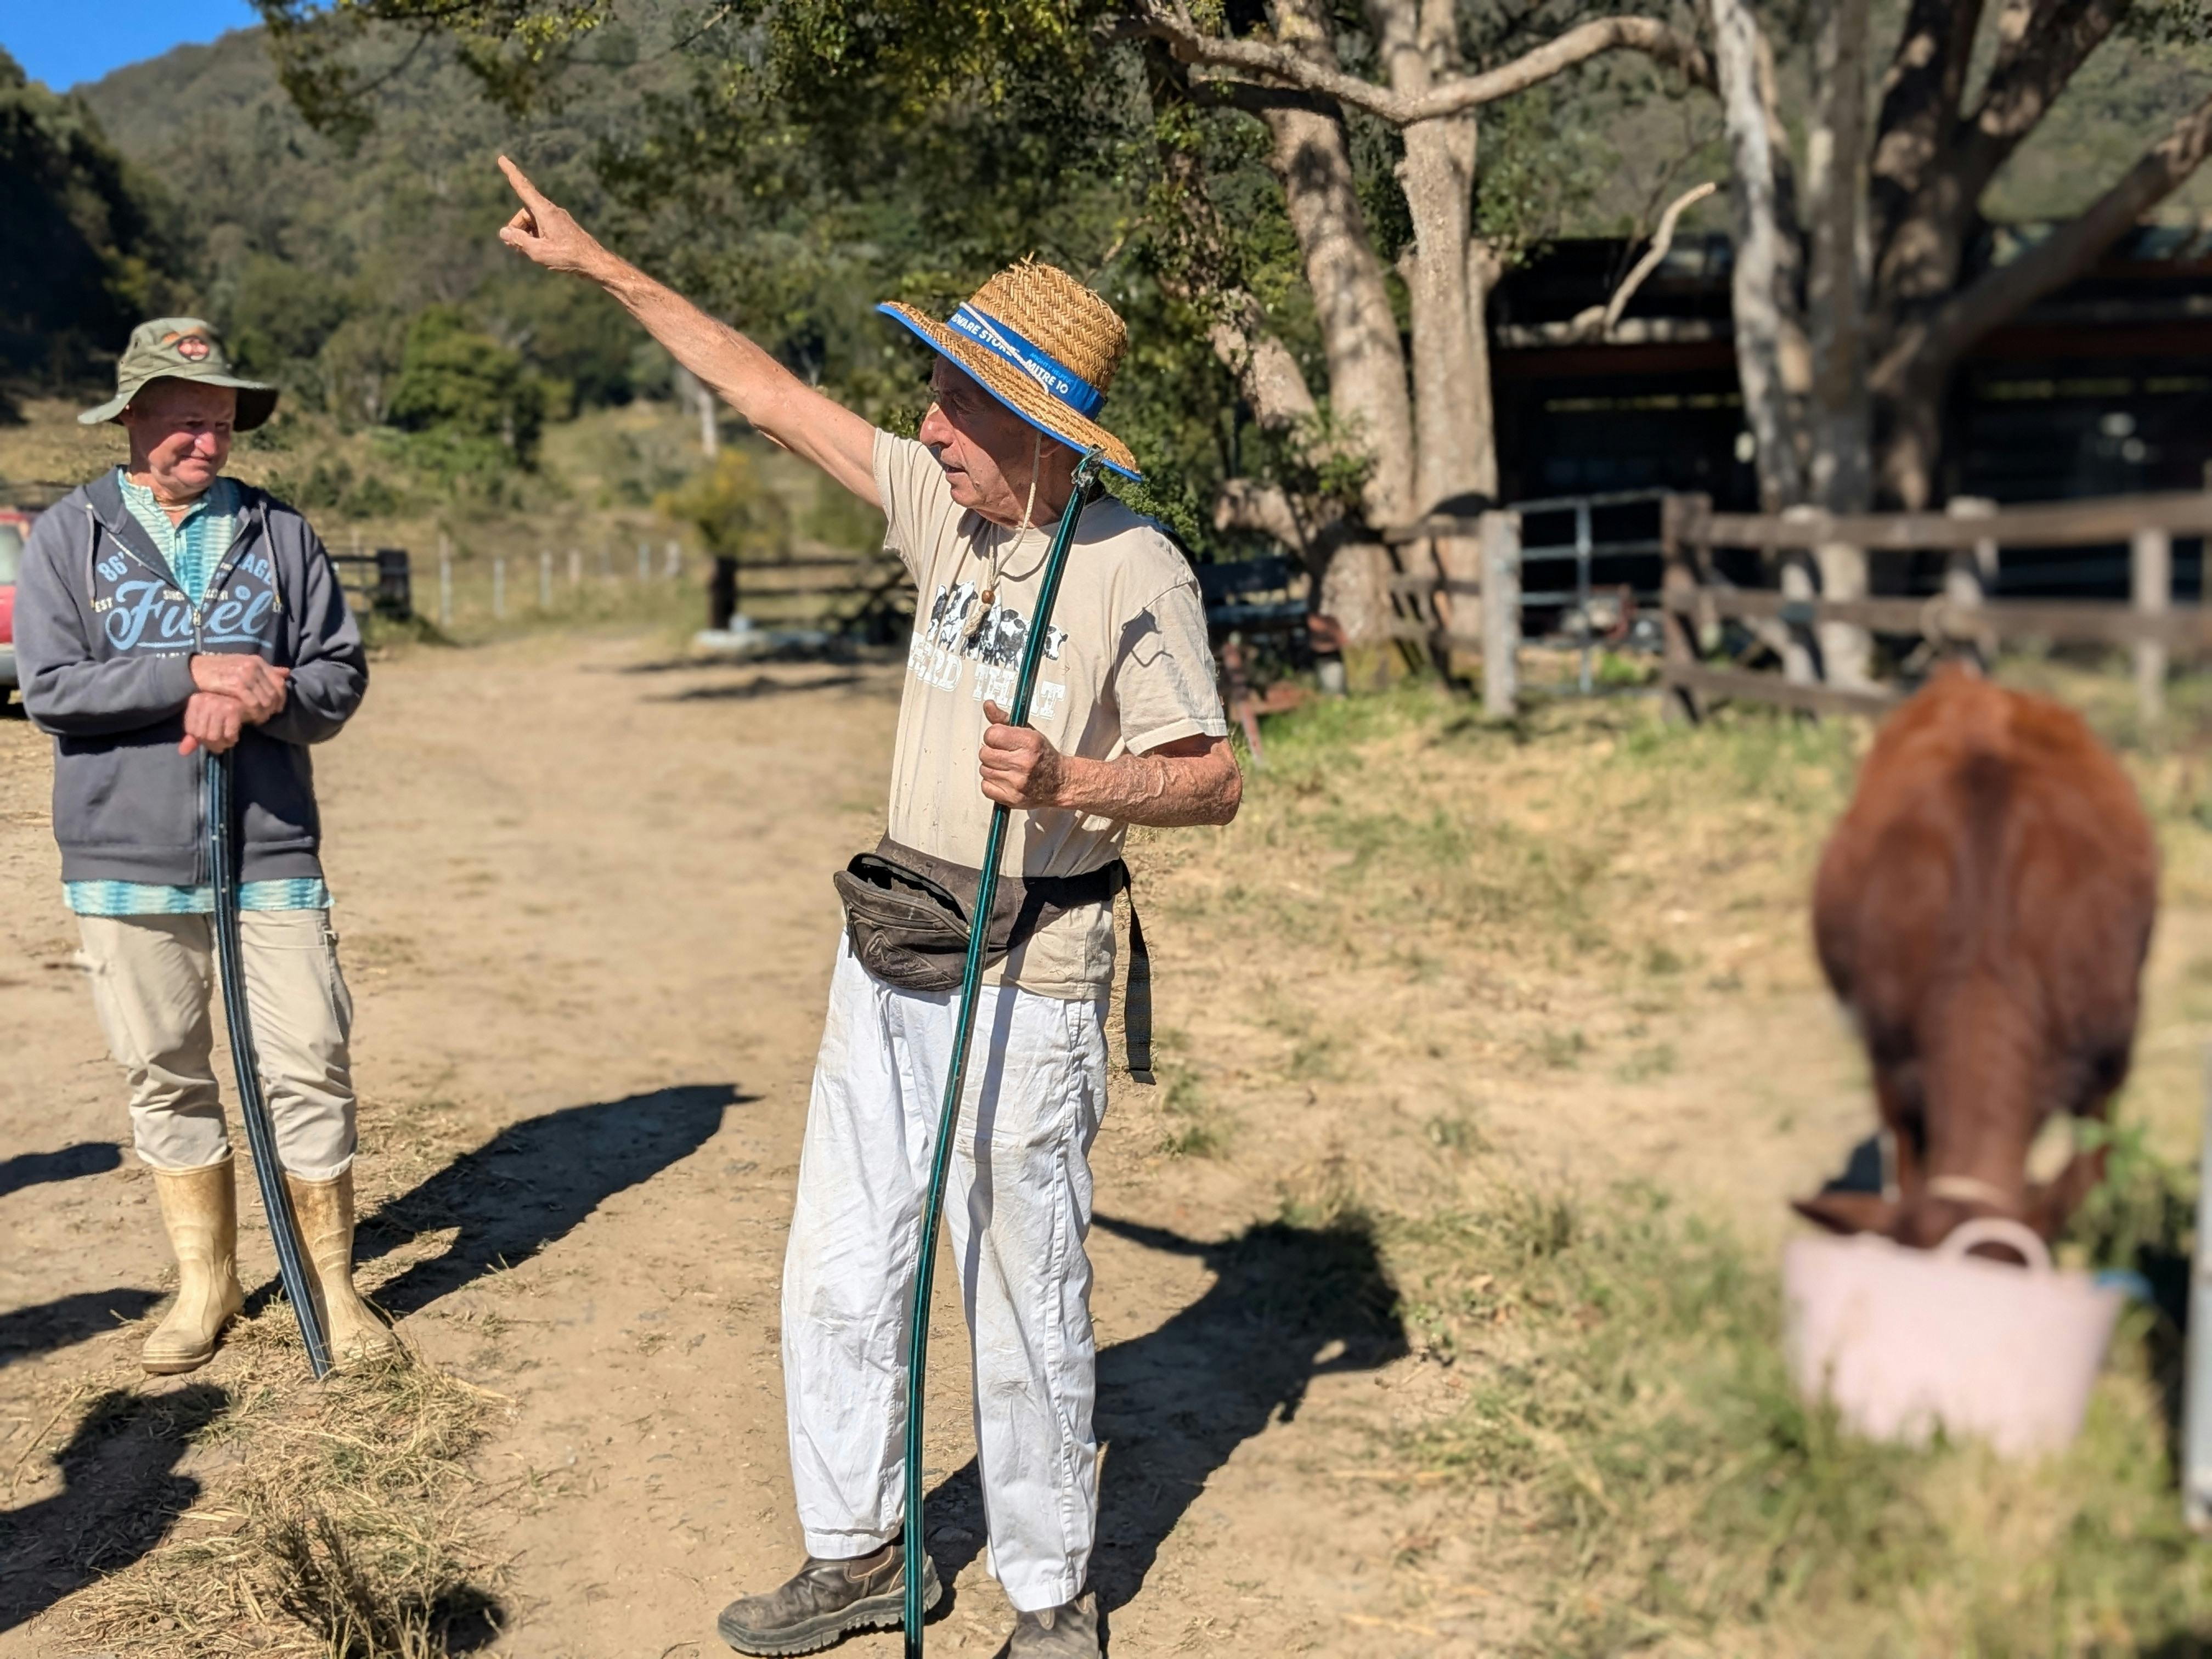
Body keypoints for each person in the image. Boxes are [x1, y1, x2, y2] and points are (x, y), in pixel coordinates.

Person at [495, 159, 1242, 1657]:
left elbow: (1215, 779)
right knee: (842, 1264)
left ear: (1043, 431)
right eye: (931, 396)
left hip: (1033, 960)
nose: (926, 427)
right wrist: (602, 270)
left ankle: (1048, 1596)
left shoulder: (1127, 565)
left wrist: (1075, 777)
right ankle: (859, 1556)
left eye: (958, 408)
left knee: (1021, 1289)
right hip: (893, 937)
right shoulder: (942, 513)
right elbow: (765, 392)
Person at [15, 318, 392, 1375]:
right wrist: (194, 672)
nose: (208, 444)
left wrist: (269, 692)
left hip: (268, 848)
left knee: (310, 1060)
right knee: (164, 1070)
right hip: (122, 857)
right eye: (186, 421)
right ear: (131, 418)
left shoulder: (283, 536)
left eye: (222, 425)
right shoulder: (67, 538)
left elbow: (337, 677)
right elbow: (51, 692)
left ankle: (334, 1289)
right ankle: (206, 1284)